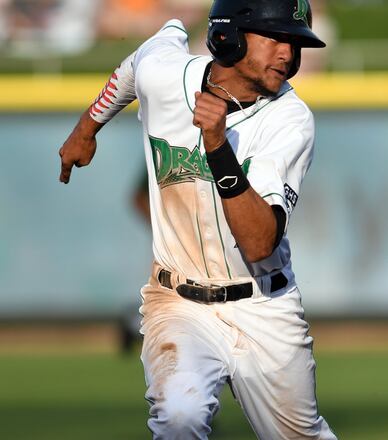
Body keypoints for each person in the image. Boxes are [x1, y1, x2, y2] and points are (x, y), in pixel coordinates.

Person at [58, 0, 337, 438]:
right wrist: (87, 127)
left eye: (296, 42)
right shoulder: (168, 73)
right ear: (229, 36)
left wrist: (217, 146)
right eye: (276, 37)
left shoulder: (289, 119)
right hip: (178, 302)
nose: (289, 53)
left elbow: (260, 243)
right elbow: (134, 66)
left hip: (263, 306)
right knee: (179, 416)